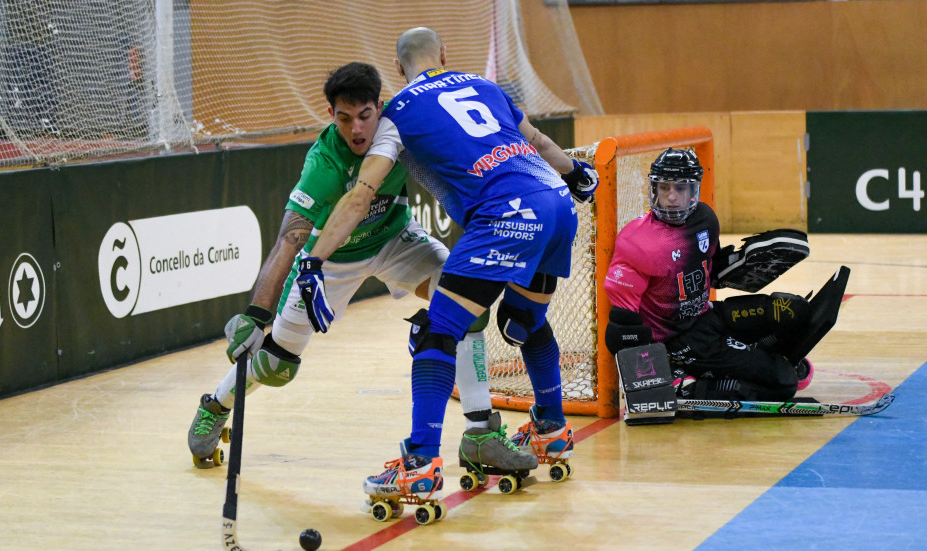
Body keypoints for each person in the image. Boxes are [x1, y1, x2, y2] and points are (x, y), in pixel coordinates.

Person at [298, 28, 599, 504]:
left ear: (399, 70)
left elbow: (360, 197)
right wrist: (577, 172)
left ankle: (419, 463)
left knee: (438, 331)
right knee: (524, 320)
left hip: (506, 213)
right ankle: (550, 428)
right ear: (444, 55)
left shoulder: (395, 114)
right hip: (557, 202)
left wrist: (313, 259)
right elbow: (538, 140)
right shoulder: (484, 85)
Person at [187, 62, 534, 474]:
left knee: (466, 303)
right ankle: (217, 402)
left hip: (395, 241)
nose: (356, 129)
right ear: (331, 116)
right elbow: (290, 238)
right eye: (344, 118)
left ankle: (480, 433)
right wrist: (256, 313)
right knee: (277, 365)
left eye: (365, 116)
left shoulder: (400, 131)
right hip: (330, 262)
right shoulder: (324, 163)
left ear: (379, 108)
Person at [603, 147, 821, 402]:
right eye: (664, 188)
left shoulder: (705, 219)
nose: (671, 197)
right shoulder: (636, 242)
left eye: (680, 188)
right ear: (654, 189)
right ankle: (691, 385)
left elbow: (711, 269)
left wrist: (743, 265)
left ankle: (757, 356)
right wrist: (657, 382)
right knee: (783, 381)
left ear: (694, 190)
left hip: (708, 316)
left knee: (793, 310)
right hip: (680, 343)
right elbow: (621, 328)